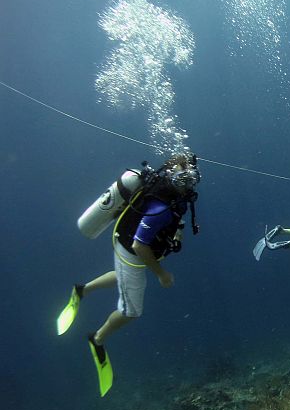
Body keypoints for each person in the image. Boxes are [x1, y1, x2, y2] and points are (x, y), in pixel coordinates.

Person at [56, 152, 201, 396]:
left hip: (128, 249)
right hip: (130, 252)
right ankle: (97, 339)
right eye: (187, 178)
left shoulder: (173, 192)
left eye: (193, 178)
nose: (191, 183)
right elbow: (139, 245)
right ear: (176, 178)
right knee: (132, 311)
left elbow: (177, 216)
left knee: (124, 278)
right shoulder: (162, 206)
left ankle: (82, 290)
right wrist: (161, 273)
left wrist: (178, 232)